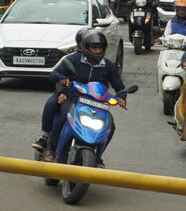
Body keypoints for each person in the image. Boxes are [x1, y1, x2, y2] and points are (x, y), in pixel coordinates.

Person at [37, 29, 127, 164]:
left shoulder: (108, 66)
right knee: (64, 117)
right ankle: (50, 148)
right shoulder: (73, 60)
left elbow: (119, 87)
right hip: (74, 98)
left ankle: (97, 155)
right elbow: (54, 74)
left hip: (97, 103)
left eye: (100, 47)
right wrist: (62, 78)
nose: (97, 51)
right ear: (86, 47)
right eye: (94, 47)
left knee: (110, 126)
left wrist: (122, 97)